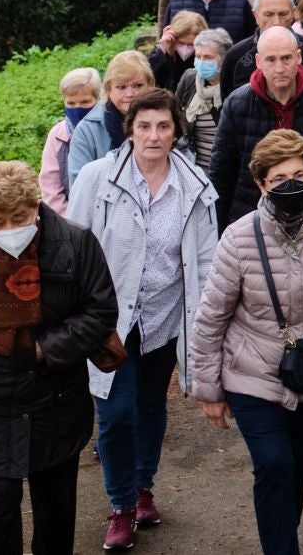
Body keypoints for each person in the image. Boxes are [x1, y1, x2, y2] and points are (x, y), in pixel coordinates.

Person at [190, 130, 303, 555]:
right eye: (278, 178)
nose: (290, 184)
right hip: (253, 373)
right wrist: (209, 389)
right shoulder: (238, 238)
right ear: (261, 184)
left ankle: (281, 539)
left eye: (299, 174)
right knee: (273, 464)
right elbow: (211, 318)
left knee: (295, 463)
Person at [0, 161, 117, 555]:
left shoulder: (76, 243)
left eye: (20, 217)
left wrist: (45, 349)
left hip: (58, 395)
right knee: (0, 501)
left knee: (55, 506)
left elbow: (100, 312)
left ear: (37, 206)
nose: (10, 229)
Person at [68, 89, 219, 549]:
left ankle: (142, 487)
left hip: (163, 318)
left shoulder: (195, 185)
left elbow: (206, 261)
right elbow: (71, 248)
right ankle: (120, 506)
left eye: (164, 126)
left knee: (151, 407)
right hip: (108, 321)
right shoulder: (98, 177)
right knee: (114, 415)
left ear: (177, 130)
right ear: (129, 129)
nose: (153, 136)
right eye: (144, 126)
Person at [209, 27, 303, 231]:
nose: (279, 68)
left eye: (286, 58)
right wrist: (217, 227)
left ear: (298, 57)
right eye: (271, 60)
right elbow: (221, 171)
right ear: (258, 62)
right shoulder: (237, 103)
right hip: (249, 216)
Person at [68, 51, 155, 187]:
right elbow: (79, 185)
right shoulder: (87, 130)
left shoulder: (165, 120)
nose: (130, 94)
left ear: (150, 85)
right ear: (108, 89)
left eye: (138, 86)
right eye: (121, 87)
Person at [40, 67, 101, 218]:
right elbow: (51, 188)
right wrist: (70, 224)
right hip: (69, 220)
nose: (77, 108)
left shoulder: (107, 130)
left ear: (98, 99)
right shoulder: (57, 135)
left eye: (85, 102)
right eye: (71, 103)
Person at [176, 28, 233, 171]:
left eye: (208, 57)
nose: (201, 63)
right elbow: (175, 117)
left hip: (226, 170)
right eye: (198, 56)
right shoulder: (189, 79)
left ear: (224, 59)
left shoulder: (234, 86)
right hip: (194, 170)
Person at [149, 10, 207, 92]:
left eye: (191, 45)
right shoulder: (163, 54)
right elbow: (147, 75)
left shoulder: (203, 58)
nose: (185, 48)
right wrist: (162, 49)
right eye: (181, 43)